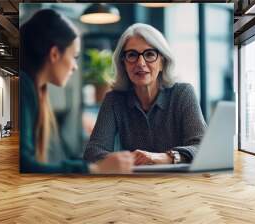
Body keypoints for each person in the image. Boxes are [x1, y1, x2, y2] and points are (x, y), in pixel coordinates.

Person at [20, 9, 133, 174]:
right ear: (54, 54)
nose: (75, 66)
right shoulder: (25, 87)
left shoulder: (34, 90)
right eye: (74, 56)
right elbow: (25, 166)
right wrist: (96, 169)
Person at [83, 23, 207, 165]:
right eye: (132, 55)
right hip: (133, 183)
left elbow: (202, 146)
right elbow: (92, 152)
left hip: (178, 182)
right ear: (123, 63)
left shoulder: (183, 94)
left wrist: (164, 158)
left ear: (162, 62)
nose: (140, 63)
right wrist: (127, 159)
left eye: (149, 54)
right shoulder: (114, 100)